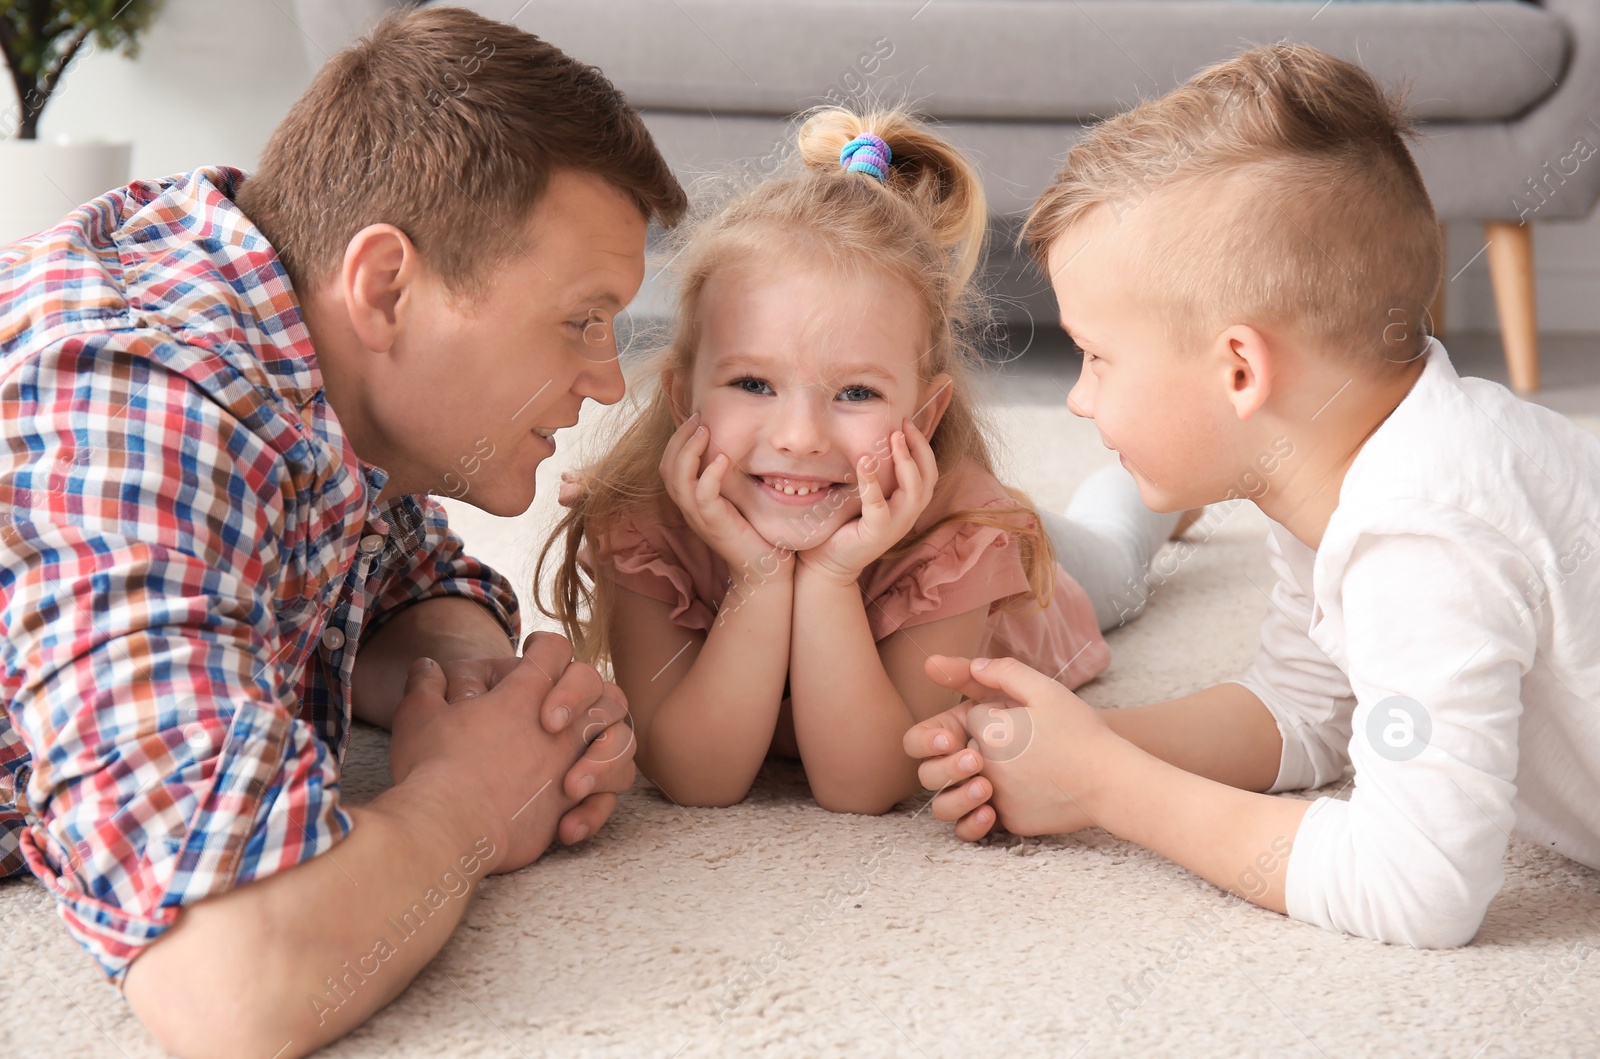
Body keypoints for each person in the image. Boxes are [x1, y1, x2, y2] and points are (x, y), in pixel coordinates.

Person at [0, 8, 685, 1055]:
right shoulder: (144, 409)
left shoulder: (276, 311)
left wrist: (480, 691)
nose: (608, 378)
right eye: (580, 319)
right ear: (385, 285)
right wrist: (467, 805)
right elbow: (233, 980)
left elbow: (395, 574)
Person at [905, 43, 1600, 949]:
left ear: (1240, 369)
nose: (1076, 396)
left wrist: (1107, 787)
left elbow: (1418, 885)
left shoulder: (1424, 532)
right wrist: (1076, 741)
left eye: (1097, 356)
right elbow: (1308, 710)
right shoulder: (1349, 452)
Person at [540, 107, 1178, 816]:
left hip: (1018, 574)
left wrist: (830, 578)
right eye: (754, 383)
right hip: (878, 506)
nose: (800, 437)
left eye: (855, 393)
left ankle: (1159, 494)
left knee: (1116, 553)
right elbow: (697, 779)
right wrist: (758, 574)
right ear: (682, 398)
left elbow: (867, 784)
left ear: (925, 417)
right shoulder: (646, 525)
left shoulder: (962, 538)